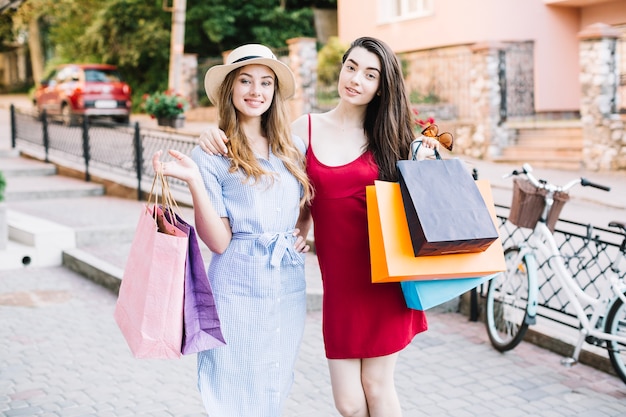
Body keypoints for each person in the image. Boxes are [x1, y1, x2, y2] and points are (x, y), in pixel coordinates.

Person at [199, 37, 439, 417]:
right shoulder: (303, 130)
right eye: (351, 67)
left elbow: (423, 199)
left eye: (370, 74)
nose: (356, 79)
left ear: (382, 87)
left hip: (384, 275)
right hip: (340, 282)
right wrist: (300, 227)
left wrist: (425, 158)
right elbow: (283, 183)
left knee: (377, 387)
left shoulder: (393, 139)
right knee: (348, 404)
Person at [152, 43, 312, 417]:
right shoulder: (212, 153)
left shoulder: (293, 148)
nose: (256, 91)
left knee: (275, 381)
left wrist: (302, 231)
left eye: (266, 83)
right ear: (230, 89)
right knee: (232, 387)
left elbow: (308, 201)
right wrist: (194, 180)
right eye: (245, 81)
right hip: (237, 286)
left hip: (286, 285)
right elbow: (219, 241)